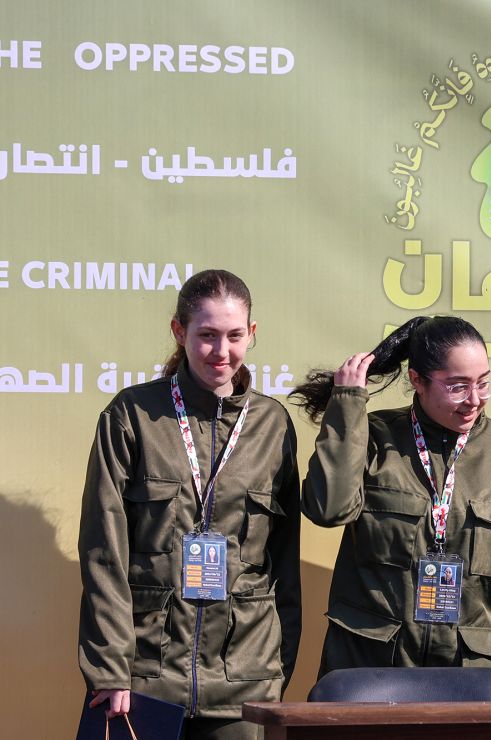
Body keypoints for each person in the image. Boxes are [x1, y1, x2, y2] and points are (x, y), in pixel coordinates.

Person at [78, 270, 301, 740]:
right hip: (145, 677)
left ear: (252, 333)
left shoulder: (273, 424)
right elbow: (104, 551)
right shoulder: (132, 415)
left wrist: (276, 669)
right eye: (206, 336)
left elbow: (283, 561)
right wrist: (111, 669)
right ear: (179, 332)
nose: (221, 352)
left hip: (244, 680)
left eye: (235, 336)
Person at [290, 316, 491, 677]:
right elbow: (329, 508)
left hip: (475, 672)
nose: (474, 400)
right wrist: (347, 404)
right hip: (373, 665)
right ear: (417, 381)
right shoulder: (374, 436)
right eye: (457, 387)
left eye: (483, 383)